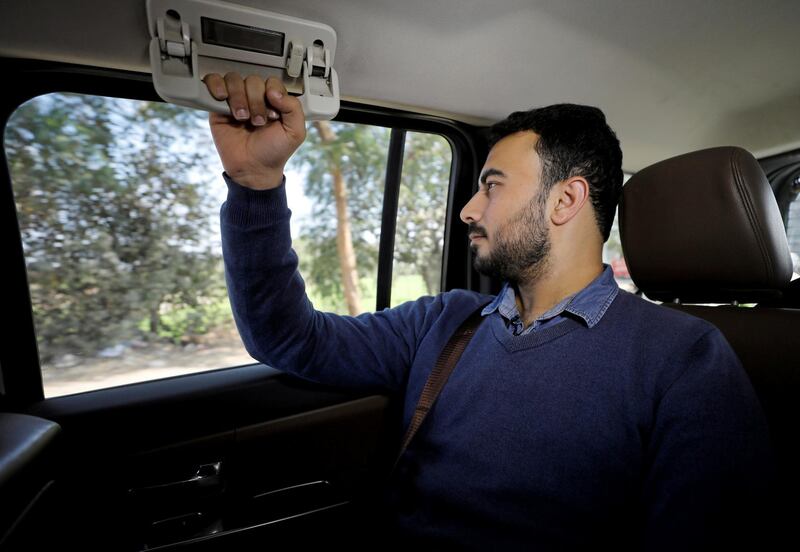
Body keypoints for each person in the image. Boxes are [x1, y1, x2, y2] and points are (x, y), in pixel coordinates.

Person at [202, 73, 774, 550]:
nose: (468, 210)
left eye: (492, 186)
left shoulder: (685, 360)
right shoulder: (445, 320)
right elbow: (288, 337)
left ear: (565, 199)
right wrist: (256, 184)